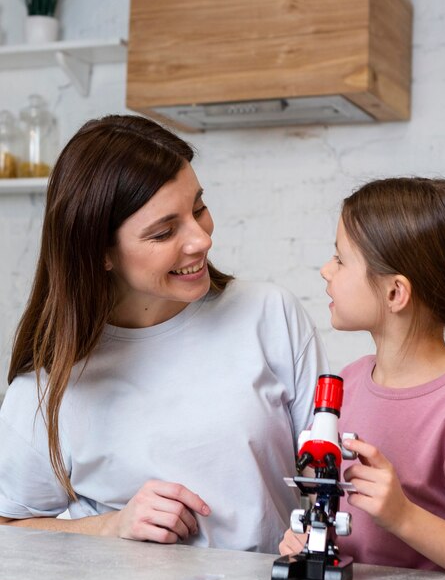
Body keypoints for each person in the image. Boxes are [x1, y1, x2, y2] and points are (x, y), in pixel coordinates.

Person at [0, 114, 329, 554]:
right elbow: (8, 528)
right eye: (164, 232)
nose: (200, 240)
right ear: (100, 254)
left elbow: (331, 481)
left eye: (198, 209)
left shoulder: (269, 315)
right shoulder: (49, 385)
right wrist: (112, 526)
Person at [279, 176, 445, 575]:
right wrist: (309, 539)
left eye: (341, 259)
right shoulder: (348, 382)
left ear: (395, 293)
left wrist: (402, 516)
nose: (326, 270)